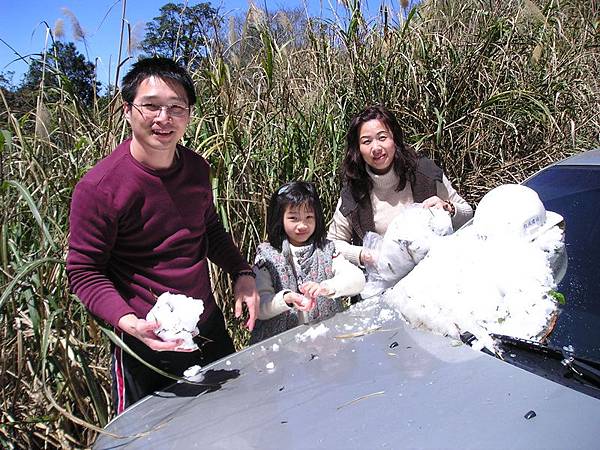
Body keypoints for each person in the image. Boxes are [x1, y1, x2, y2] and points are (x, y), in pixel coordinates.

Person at [66, 57, 259, 415]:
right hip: (144, 340)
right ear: (127, 110)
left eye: (175, 108)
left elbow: (209, 230)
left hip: (207, 326)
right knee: (149, 436)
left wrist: (242, 273)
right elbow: (84, 271)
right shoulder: (100, 188)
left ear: (188, 114)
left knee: (235, 420)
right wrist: (130, 323)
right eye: (151, 106)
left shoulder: (197, 169)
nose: (163, 118)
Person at [328, 105, 474, 267]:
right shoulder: (354, 191)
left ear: (395, 139)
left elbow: (468, 215)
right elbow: (333, 243)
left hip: (436, 269)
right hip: (385, 280)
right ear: (358, 149)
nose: (376, 148)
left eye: (382, 138)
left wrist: (448, 208)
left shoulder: (424, 173)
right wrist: (362, 255)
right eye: (366, 141)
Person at [250, 181, 365, 343]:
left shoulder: (326, 249)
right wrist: (285, 299)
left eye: (309, 217)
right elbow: (260, 305)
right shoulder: (267, 257)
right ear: (279, 218)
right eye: (293, 218)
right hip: (281, 347)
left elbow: (357, 280)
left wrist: (327, 287)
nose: (302, 225)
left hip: (325, 341)